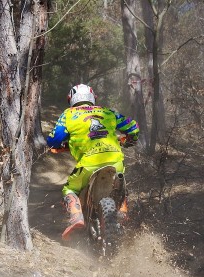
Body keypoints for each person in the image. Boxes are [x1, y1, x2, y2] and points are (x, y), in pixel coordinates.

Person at [47, 84, 139, 240]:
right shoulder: (108, 112)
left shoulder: (68, 114)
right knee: (120, 183)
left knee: (69, 190)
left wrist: (59, 145)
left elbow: (54, 139)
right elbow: (133, 126)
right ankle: (122, 212)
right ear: (92, 98)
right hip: (115, 160)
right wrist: (129, 140)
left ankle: (76, 217)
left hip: (89, 164)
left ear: (71, 99)